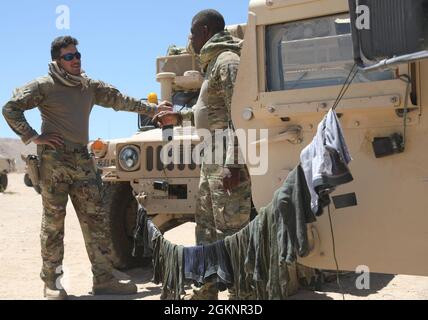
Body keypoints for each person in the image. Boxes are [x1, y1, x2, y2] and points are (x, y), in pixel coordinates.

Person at [2, 36, 172, 300]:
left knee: (96, 221)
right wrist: (34, 136)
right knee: (53, 225)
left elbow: (120, 100)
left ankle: (104, 280)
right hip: (54, 161)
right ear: (57, 61)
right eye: (69, 56)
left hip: (82, 160)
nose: (76, 60)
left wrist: (153, 110)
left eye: (77, 55)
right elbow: (11, 108)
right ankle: (53, 284)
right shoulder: (44, 85)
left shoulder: (88, 85)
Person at [154, 10, 252, 300]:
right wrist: (179, 117)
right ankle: (207, 290)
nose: (190, 40)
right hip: (211, 160)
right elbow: (210, 114)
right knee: (207, 231)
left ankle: (242, 295)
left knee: (231, 233)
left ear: (205, 31)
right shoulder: (212, 65)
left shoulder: (228, 61)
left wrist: (234, 164)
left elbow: (241, 116)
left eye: (192, 34)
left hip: (226, 161)